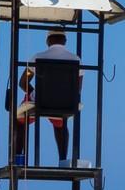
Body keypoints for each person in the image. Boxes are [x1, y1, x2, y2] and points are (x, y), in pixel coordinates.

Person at [14, 30, 81, 163]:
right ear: (65, 41)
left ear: (48, 41)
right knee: (61, 124)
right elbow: (77, 88)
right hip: (65, 103)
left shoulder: (37, 57)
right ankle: (63, 160)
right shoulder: (75, 59)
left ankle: (18, 158)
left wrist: (35, 92)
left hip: (41, 100)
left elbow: (23, 82)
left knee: (18, 120)